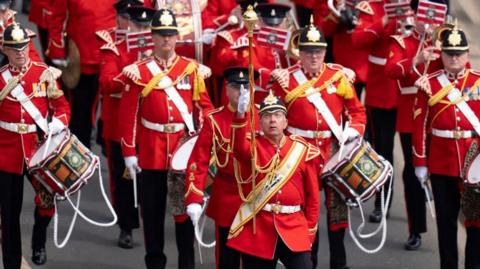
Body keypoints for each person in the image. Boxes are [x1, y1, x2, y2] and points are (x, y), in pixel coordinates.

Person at [118, 9, 213, 269]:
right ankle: (155, 264)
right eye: (161, 35)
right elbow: (128, 114)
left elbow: (204, 107)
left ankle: (187, 264)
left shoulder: (191, 70)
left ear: (177, 37)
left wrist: (201, 137)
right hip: (151, 152)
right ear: (153, 37)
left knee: (184, 216)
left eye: (170, 35)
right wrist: (129, 151)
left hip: (183, 153)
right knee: (153, 217)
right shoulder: (138, 72)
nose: (166, 41)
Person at [271, 22, 366, 269]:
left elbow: (357, 112)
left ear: (325, 52)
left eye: (318, 51)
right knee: (304, 211)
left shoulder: (338, 77)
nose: (313, 56)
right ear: (299, 53)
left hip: (332, 150)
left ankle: (339, 262)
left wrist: (352, 133)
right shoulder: (286, 79)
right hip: (299, 153)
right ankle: (307, 261)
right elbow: (271, 119)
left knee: (337, 210)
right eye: (308, 51)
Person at [0, 23, 70, 269]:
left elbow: (62, 108)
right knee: (9, 216)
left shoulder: (44, 74)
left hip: (36, 149)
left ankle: (39, 242)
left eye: (24, 47)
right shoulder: (0, 80)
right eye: (15, 48)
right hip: (7, 154)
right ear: (5, 50)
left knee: (47, 201)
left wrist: (58, 124)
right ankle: (11, 264)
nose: (21, 52)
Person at [227, 90, 320, 269]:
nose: (272, 120)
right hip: (260, 229)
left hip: (294, 226)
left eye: (277, 115)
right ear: (260, 122)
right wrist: (240, 115)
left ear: (285, 121)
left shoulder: (302, 150)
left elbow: (313, 198)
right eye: (267, 116)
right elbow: (238, 148)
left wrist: (309, 232)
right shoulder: (254, 146)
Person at [413, 23, 480, 269]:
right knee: (446, 222)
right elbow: (420, 125)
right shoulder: (428, 83)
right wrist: (420, 162)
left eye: (459, 53)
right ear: (442, 55)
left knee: (475, 222)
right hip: (441, 163)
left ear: (467, 54)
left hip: (474, 164)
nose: (454, 58)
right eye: (450, 53)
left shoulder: (478, 82)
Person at [185, 66, 259, 269]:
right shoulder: (214, 119)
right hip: (226, 195)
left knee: (256, 259)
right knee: (227, 259)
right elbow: (197, 161)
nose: (241, 92)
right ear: (226, 90)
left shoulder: (263, 117)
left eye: (246, 87)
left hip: (256, 195)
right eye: (236, 87)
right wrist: (194, 196)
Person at [385, 9, 443, 250]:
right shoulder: (402, 42)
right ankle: (416, 229)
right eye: (424, 16)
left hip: (440, 114)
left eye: (434, 17)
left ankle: (446, 225)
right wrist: (416, 60)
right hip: (411, 114)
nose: (429, 22)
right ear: (415, 17)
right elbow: (391, 71)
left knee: (444, 175)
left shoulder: (445, 40)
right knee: (412, 172)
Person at [97, 0, 150, 249]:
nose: (135, 26)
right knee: (123, 177)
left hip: (149, 124)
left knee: (150, 177)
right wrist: (133, 72)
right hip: (119, 123)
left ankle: (148, 219)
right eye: (130, 20)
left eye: (141, 23)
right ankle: (126, 227)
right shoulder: (113, 48)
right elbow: (107, 84)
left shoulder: (156, 50)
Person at [351, 0, 399, 223]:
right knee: (383, 150)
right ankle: (382, 201)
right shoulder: (371, 7)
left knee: (416, 156)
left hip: (410, 89)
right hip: (382, 88)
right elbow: (358, 39)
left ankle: (417, 224)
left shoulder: (415, 6)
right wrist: (384, 22)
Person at [46, 0, 116, 148]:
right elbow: (57, 16)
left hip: (111, 58)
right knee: (80, 112)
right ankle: (78, 151)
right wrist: (57, 49)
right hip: (81, 58)